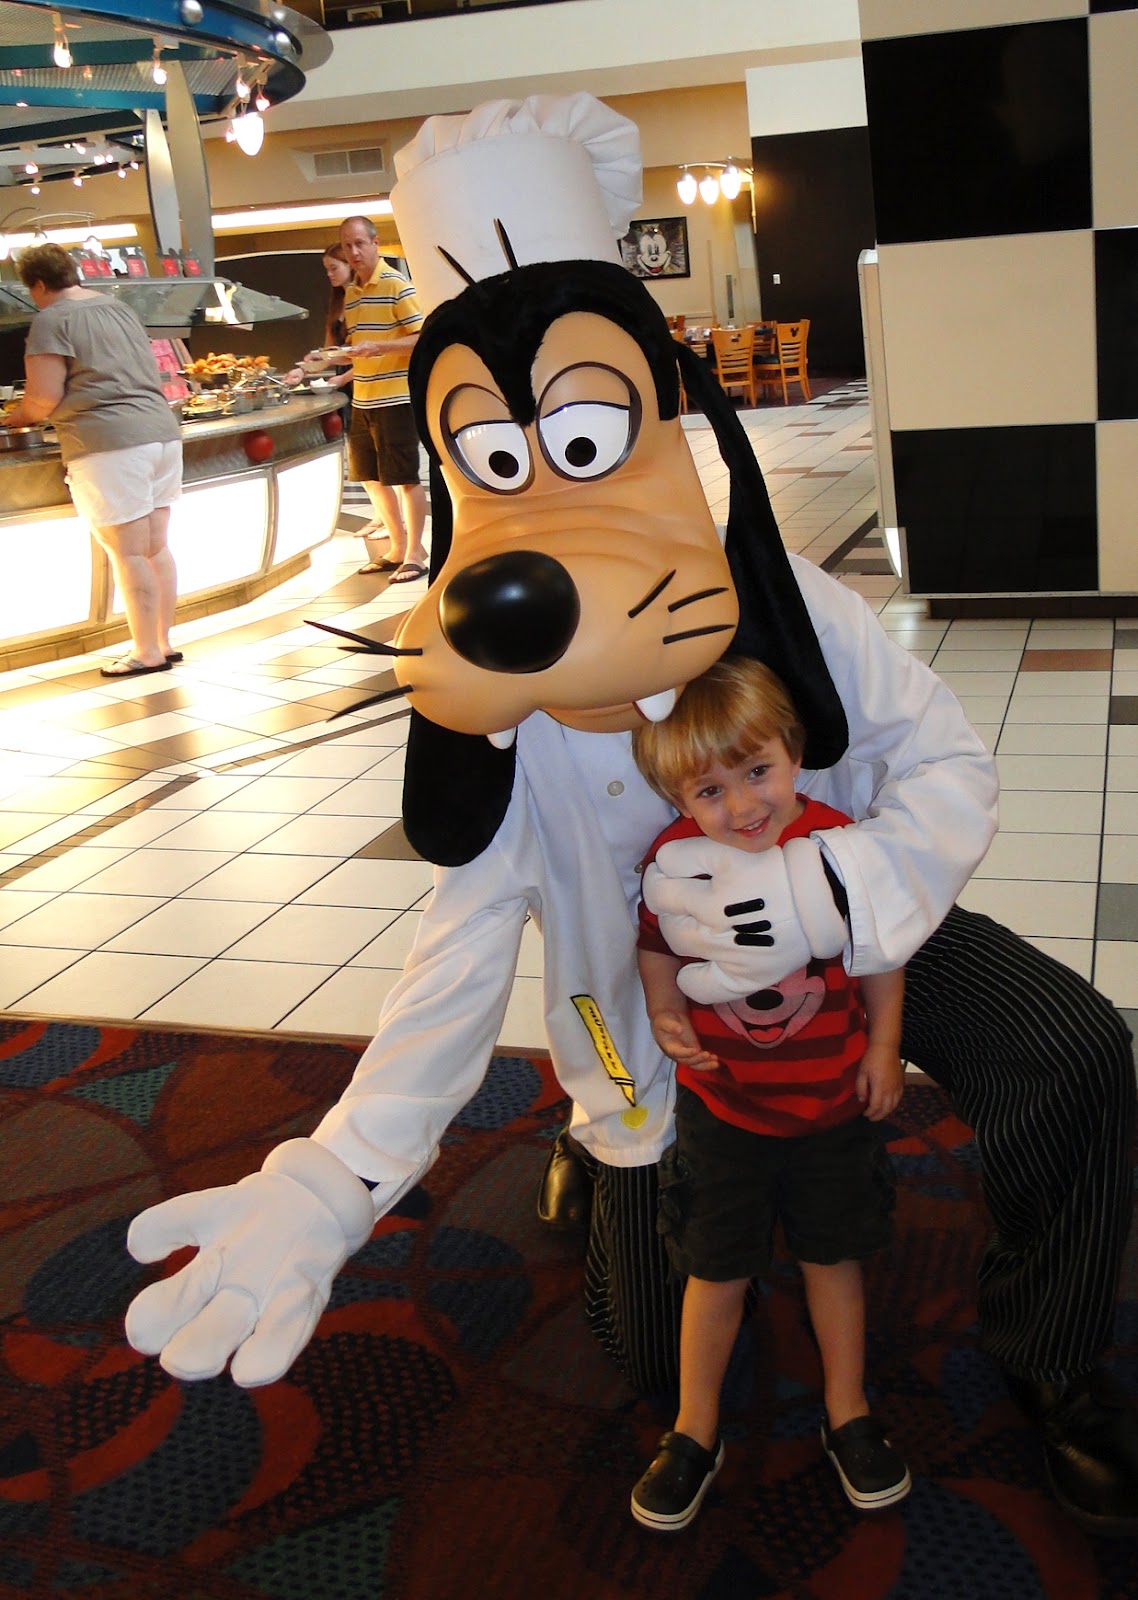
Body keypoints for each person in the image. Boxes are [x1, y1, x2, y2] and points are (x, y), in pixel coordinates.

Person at [123, 94, 1138, 1540]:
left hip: (863, 932)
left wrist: (841, 888)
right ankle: (591, 1149)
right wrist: (338, 1172)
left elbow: (947, 763)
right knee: (648, 1348)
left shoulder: (791, 599)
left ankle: (1054, 1356)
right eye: (497, 453)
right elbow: (459, 944)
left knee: (1073, 1049)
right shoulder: (501, 689)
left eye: (584, 435)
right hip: (645, 1015)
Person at [626, 656, 908, 1530]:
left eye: (757, 771)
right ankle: (694, 1426)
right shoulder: (675, 862)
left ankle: (847, 1409)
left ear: (793, 752)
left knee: (835, 1260)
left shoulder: (836, 844)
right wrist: (665, 1011)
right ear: (677, 798)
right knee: (714, 1268)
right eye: (710, 791)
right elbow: (655, 947)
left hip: (832, 1106)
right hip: (726, 1112)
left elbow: (881, 952)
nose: (743, 806)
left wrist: (886, 1046)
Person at [2, 242, 183, 678]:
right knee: (155, 547)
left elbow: (43, 399)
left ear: (38, 285)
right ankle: (162, 642)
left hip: (108, 442)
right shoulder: (117, 307)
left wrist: (14, 418)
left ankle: (146, 652)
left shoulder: (52, 319)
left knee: (129, 552)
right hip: (160, 433)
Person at [338, 214, 428, 582]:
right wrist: (334, 357)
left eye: (360, 243)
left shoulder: (395, 284)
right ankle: (396, 546)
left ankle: (416, 552)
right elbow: (360, 345)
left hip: (395, 398)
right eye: (348, 245)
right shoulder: (352, 293)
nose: (354, 251)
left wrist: (381, 347)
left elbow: (423, 337)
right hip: (363, 398)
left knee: (404, 477)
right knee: (370, 478)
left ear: (375, 243)